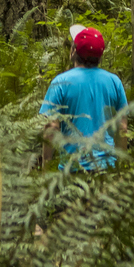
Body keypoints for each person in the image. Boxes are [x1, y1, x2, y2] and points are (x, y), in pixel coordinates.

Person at [38, 25, 127, 170]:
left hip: (73, 170)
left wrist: (46, 169)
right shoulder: (114, 81)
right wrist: (121, 168)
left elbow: (51, 127)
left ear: (74, 51)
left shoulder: (60, 82)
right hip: (107, 170)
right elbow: (122, 127)